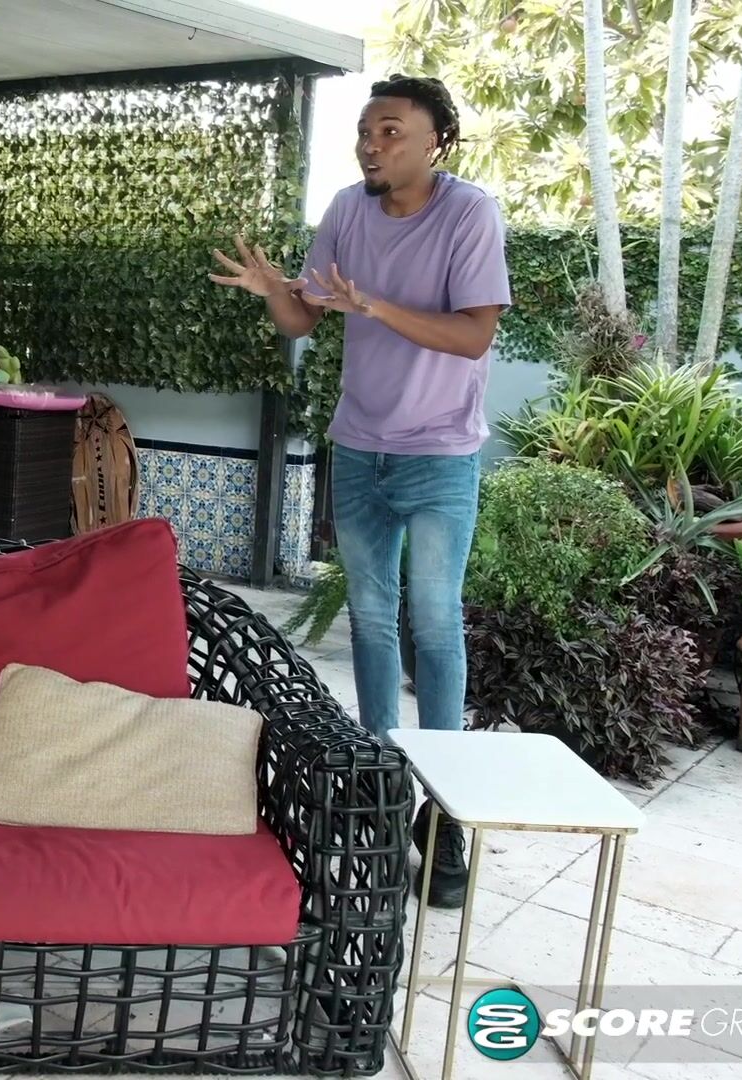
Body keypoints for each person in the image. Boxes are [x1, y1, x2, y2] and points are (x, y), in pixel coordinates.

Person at [207, 75, 510, 909]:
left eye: (391, 131)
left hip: (440, 453)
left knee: (433, 622)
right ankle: (381, 792)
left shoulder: (469, 215)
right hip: (361, 447)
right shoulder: (346, 209)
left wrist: (372, 305)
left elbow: (474, 334)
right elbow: (305, 318)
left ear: (435, 140)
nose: (371, 145)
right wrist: (277, 292)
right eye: (366, 131)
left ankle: (444, 814)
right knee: (372, 621)